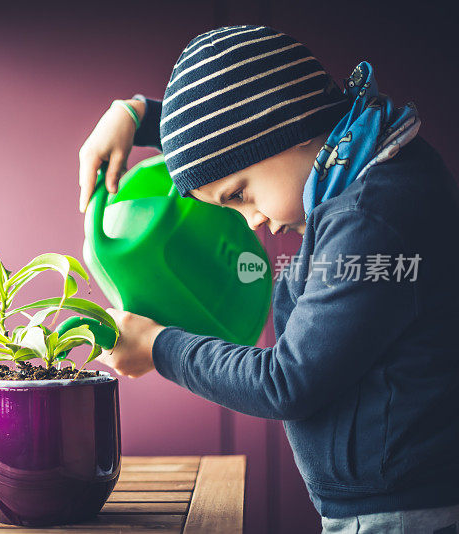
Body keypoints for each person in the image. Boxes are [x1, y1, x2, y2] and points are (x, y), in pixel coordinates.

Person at [78, 25, 459, 533]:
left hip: (401, 515)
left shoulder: (369, 216)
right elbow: (239, 132)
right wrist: (138, 114)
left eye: (239, 195)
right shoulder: (367, 160)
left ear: (290, 127)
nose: (252, 221)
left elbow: (286, 382)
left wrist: (157, 346)